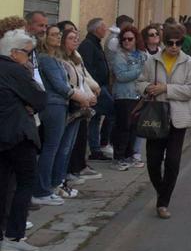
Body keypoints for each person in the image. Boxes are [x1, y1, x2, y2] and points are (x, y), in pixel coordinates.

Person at [139, 27, 191, 218]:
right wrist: (148, 88)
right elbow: (140, 82)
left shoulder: (188, 62)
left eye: (178, 43)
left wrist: (166, 89)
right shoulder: (152, 61)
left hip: (178, 118)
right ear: (164, 42)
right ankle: (162, 190)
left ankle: (163, 203)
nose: (174, 47)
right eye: (170, 42)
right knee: (154, 161)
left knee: (172, 161)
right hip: (156, 116)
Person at [0, 28, 45, 251]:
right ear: (15, 53)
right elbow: (39, 98)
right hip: (18, 135)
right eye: (28, 53)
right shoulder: (16, 70)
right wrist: (26, 103)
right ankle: (14, 236)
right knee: (25, 182)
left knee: (3, 185)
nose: (29, 59)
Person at [33, 25, 76, 206]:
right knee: (51, 147)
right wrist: (78, 95)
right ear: (45, 38)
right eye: (53, 35)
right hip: (53, 105)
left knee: (56, 147)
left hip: (60, 104)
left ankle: (49, 186)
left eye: (59, 34)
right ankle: (42, 190)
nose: (58, 37)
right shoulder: (45, 59)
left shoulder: (55, 58)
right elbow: (59, 86)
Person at [57, 22, 99, 193]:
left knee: (72, 143)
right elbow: (67, 84)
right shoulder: (60, 60)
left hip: (82, 103)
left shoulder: (76, 57)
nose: (75, 41)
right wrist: (84, 98)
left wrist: (93, 91)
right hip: (70, 105)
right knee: (63, 145)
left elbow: (83, 78)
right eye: (71, 38)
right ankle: (60, 179)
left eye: (77, 38)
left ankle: (64, 176)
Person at [108, 27, 147, 171]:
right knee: (123, 127)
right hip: (124, 96)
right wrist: (139, 71)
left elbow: (148, 71)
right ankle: (118, 158)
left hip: (139, 95)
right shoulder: (120, 56)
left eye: (130, 39)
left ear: (136, 39)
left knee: (134, 128)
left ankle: (129, 156)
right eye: (124, 39)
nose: (126, 42)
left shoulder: (142, 54)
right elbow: (121, 76)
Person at [79, 18, 114, 161]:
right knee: (112, 111)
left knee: (96, 117)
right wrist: (94, 87)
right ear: (96, 29)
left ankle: (96, 148)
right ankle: (99, 145)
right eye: (103, 27)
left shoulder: (96, 43)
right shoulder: (88, 45)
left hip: (101, 86)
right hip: (96, 87)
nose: (105, 30)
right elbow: (87, 67)